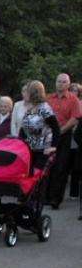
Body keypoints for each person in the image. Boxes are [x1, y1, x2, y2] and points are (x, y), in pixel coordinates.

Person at [45, 73, 81, 208]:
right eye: (58, 81)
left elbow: (74, 119)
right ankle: (46, 196)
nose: (60, 84)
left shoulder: (73, 100)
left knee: (61, 167)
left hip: (64, 135)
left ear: (68, 84)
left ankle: (55, 198)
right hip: (48, 135)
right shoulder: (49, 98)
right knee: (48, 165)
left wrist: (60, 131)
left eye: (63, 82)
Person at [16, 81, 60, 174]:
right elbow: (23, 129)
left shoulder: (45, 109)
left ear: (33, 93)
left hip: (42, 151)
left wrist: (54, 147)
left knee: (37, 178)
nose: (25, 94)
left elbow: (55, 128)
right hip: (29, 150)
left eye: (27, 92)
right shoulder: (29, 110)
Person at [67, 83, 81, 200]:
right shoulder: (66, 102)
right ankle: (73, 192)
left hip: (77, 140)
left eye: (75, 90)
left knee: (77, 168)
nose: (73, 92)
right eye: (71, 90)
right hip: (69, 137)